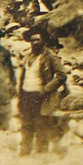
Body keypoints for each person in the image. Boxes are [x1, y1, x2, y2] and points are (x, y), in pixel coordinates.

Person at [17, 26, 66, 155]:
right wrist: (20, 98)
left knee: (41, 125)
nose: (35, 42)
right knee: (26, 124)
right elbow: (22, 78)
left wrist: (46, 89)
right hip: (27, 94)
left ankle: (41, 156)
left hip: (42, 96)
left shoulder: (50, 56)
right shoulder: (27, 56)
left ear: (44, 41)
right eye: (32, 40)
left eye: (37, 40)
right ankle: (25, 153)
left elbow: (62, 75)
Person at [0, 29, 16, 130]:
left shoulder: (4, 52)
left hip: (2, 84)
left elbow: (10, 70)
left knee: (4, 108)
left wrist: (13, 84)